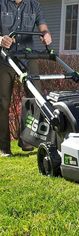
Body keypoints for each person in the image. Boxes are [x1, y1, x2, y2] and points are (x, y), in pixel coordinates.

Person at [0, 0, 52, 157]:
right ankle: (3, 147)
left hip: (27, 55)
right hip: (4, 56)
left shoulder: (34, 5)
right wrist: (1, 38)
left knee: (35, 97)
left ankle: (27, 141)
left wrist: (46, 34)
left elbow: (42, 24)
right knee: (3, 102)